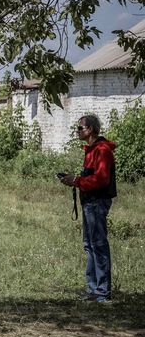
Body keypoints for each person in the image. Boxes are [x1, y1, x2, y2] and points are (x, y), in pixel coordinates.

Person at [59, 115, 117, 302]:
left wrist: (76, 181)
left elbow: (101, 179)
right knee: (90, 245)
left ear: (90, 129)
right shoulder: (92, 150)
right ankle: (94, 289)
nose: (77, 131)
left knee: (98, 245)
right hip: (89, 202)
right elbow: (91, 178)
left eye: (80, 128)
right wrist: (75, 180)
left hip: (96, 203)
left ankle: (102, 291)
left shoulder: (101, 150)